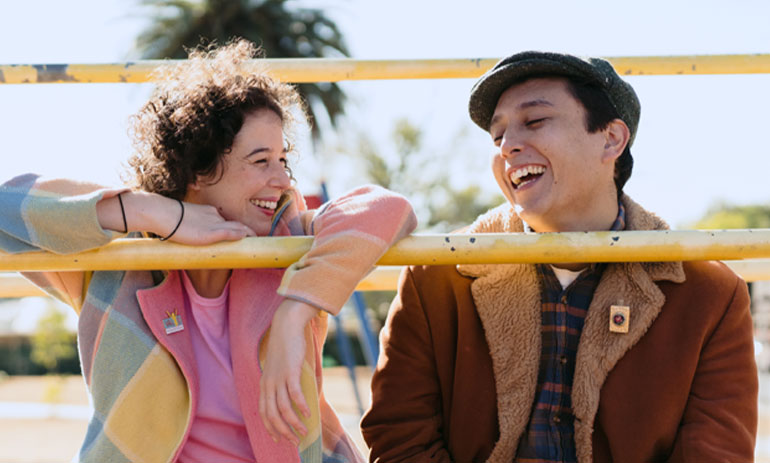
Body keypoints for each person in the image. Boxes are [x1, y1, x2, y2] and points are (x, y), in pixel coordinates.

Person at [0, 40, 416, 463]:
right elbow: (5, 208)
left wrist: (295, 314)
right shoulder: (118, 265)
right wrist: (152, 210)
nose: (282, 180)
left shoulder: (287, 242)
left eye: (282, 161)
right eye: (260, 161)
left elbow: (388, 207)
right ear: (197, 170)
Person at [361, 51, 757, 462]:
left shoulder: (709, 293)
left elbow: (716, 453)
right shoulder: (437, 276)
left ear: (611, 139)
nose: (508, 146)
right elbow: (399, 440)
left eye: (534, 122)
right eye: (497, 137)